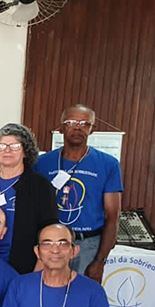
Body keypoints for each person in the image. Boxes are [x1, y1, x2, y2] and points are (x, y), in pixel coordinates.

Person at [35, 104, 123, 282]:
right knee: (47, 295)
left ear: (92, 129)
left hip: (88, 246)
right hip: (51, 245)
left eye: (84, 123)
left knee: (82, 300)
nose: (77, 127)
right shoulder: (42, 163)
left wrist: (100, 261)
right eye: (71, 122)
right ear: (61, 127)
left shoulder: (108, 164)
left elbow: (112, 216)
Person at [0, 123, 58, 274]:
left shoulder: (40, 186)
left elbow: (49, 231)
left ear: (26, 151)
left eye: (14, 146)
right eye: (1, 146)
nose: (7, 150)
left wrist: (38, 271)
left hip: (21, 268)